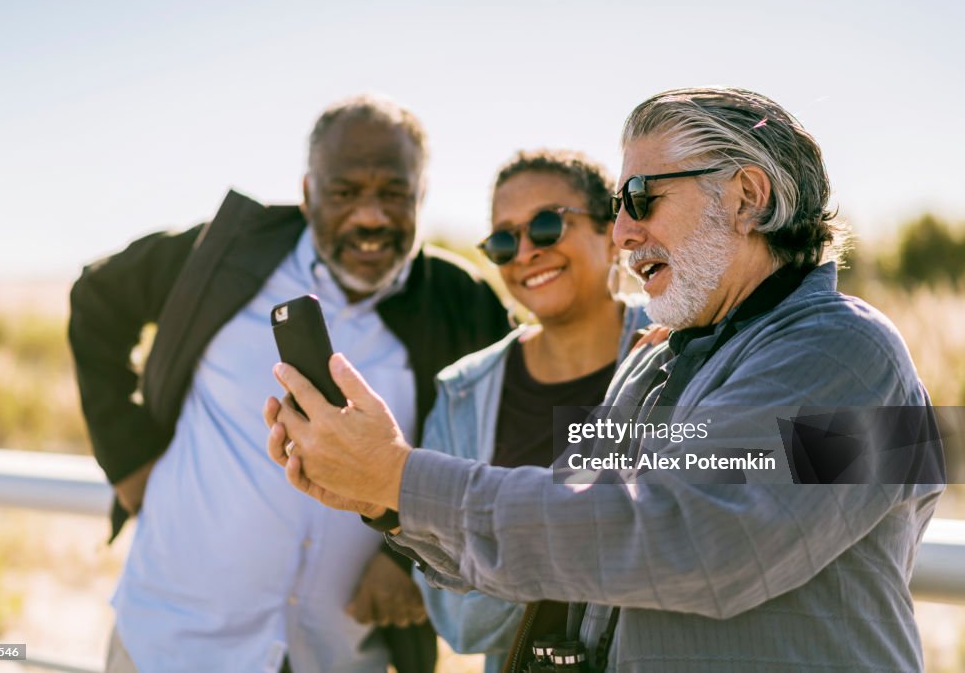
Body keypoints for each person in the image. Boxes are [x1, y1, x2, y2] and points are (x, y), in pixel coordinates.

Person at [264, 87, 945, 672]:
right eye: (618, 203)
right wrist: (383, 499)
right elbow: (573, 525)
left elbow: (689, 537)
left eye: (642, 198)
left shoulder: (855, 357)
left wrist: (400, 478)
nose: (620, 232)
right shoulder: (654, 362)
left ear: (747, 197)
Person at [68, 94, 510, 673]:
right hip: (170, 642)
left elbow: (497, 432)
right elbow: (95, 301)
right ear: (307, 193)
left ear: (421, 194)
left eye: (394, 194)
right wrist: (127, 458)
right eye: (345, 192)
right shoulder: (221, 256)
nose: (371, 217)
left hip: (343, 654)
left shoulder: (462, 302)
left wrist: (409, 562)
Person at [391, 149, 653, 672]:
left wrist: (506, 548)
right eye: (505, 240)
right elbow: (459, 618)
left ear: (611, 232)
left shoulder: (690, 346)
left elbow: (832, 459)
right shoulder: (463, 390)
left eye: (547, 225)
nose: (525, 252)